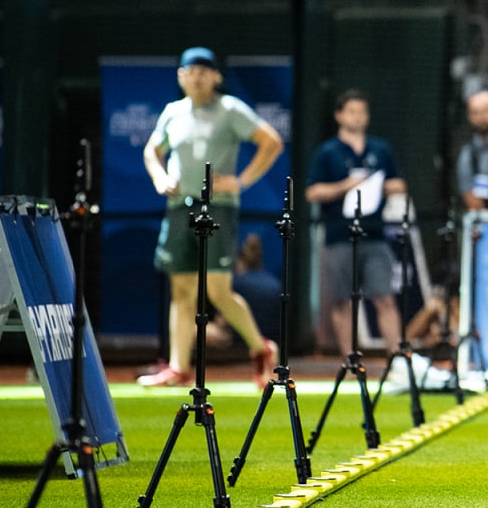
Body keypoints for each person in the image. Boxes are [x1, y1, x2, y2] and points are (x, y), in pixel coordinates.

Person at [139, 47, 283, 389]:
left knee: (217, 290)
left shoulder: (230, 109)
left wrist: (242, 180)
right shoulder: (173, 112)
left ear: (216, 76)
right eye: (191, 70)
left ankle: (260, 348)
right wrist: (160, 178)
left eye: (205, 70)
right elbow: (151, 151)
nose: (198, 76)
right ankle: (178, 366)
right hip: (178, 208)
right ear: (181, 76)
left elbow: (271, 142)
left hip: (217, 206)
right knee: (182, 289)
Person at [306, 89, 408, 356]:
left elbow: (399, 184)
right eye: (352, 111)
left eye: (362, 112)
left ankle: (396, 357)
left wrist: (376, 186)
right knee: (343, 301)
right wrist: (345, 186)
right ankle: (350, 360)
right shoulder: (328, 152)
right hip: (340, 235)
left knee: (385, 297)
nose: (358, 117)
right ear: (339, 116)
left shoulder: (380, 149)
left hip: (374, 234)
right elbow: (312, 191)